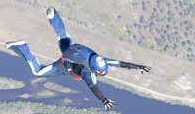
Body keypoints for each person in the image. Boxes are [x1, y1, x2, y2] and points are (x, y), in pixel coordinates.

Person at [8, 10, 147, 107]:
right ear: (96, 70)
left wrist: (138, 67)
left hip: (71, 49)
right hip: (63, 65)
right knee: (37, 72)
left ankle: (53, 16)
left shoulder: (100, 59)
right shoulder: (88, 73)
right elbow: (94, 87)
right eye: (100, 73)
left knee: (62, 34)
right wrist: (103, 99)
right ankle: (23, 47)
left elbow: (121, 63)